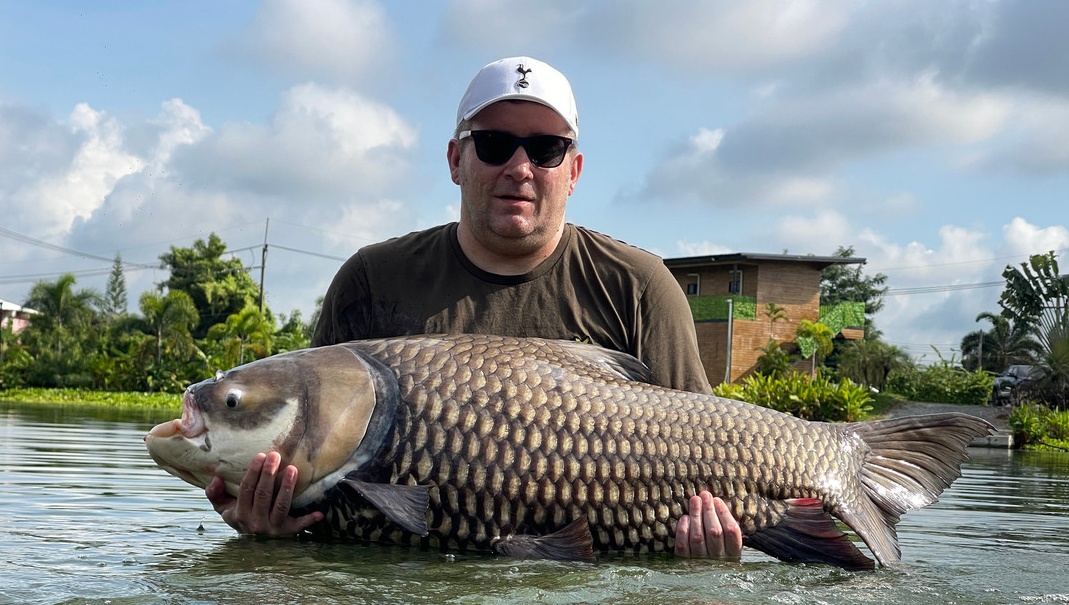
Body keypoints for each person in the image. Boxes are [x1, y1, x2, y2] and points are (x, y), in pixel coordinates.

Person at [206, 56, 742, 560]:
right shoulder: (371, 279)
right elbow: (321, 480)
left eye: (546, 149)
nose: (520, 167)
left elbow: (707, 453)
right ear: (455, 160)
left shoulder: (640, 287)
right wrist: (270, 524)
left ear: (574, 170)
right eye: (493, 144)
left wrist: (710, 547)